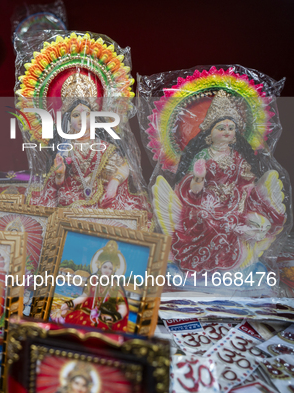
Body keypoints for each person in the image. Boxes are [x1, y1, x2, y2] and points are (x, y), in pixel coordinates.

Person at [156, 91, 286, 272]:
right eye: (221, 128)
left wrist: (245, 200)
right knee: (210, 220)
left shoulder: (238, 157)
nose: (227, 132)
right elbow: (193, 190)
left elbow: (246, 182)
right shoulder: (202, 155)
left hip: (236, 201)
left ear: (235, 133)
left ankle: (240, 260)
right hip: (207, 203)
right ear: (210, 131)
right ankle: (211, 263)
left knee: (254, 221)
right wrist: (198, 178)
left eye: (231, 128)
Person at [30, 74, 149, 213]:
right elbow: (56, 184)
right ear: (68, 120)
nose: (81, 119)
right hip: (72, 199)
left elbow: (122, 166)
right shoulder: (64, 149)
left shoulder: (104, 146)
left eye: (86, 114)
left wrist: (114, 183)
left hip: (102, 197)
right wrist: (59, 174)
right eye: (76, 115)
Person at [60, 240, 129, 332]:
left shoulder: (115, 286)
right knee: (74, 318)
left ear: (114, 270)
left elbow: (122, 308)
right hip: (88, 313)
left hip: (105, 319)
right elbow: (84, 296)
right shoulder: (93, 280)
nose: (107, 270)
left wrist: (115, 317)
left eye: (110, 268)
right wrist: (70, 303)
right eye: (105, 267)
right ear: (100, 266)